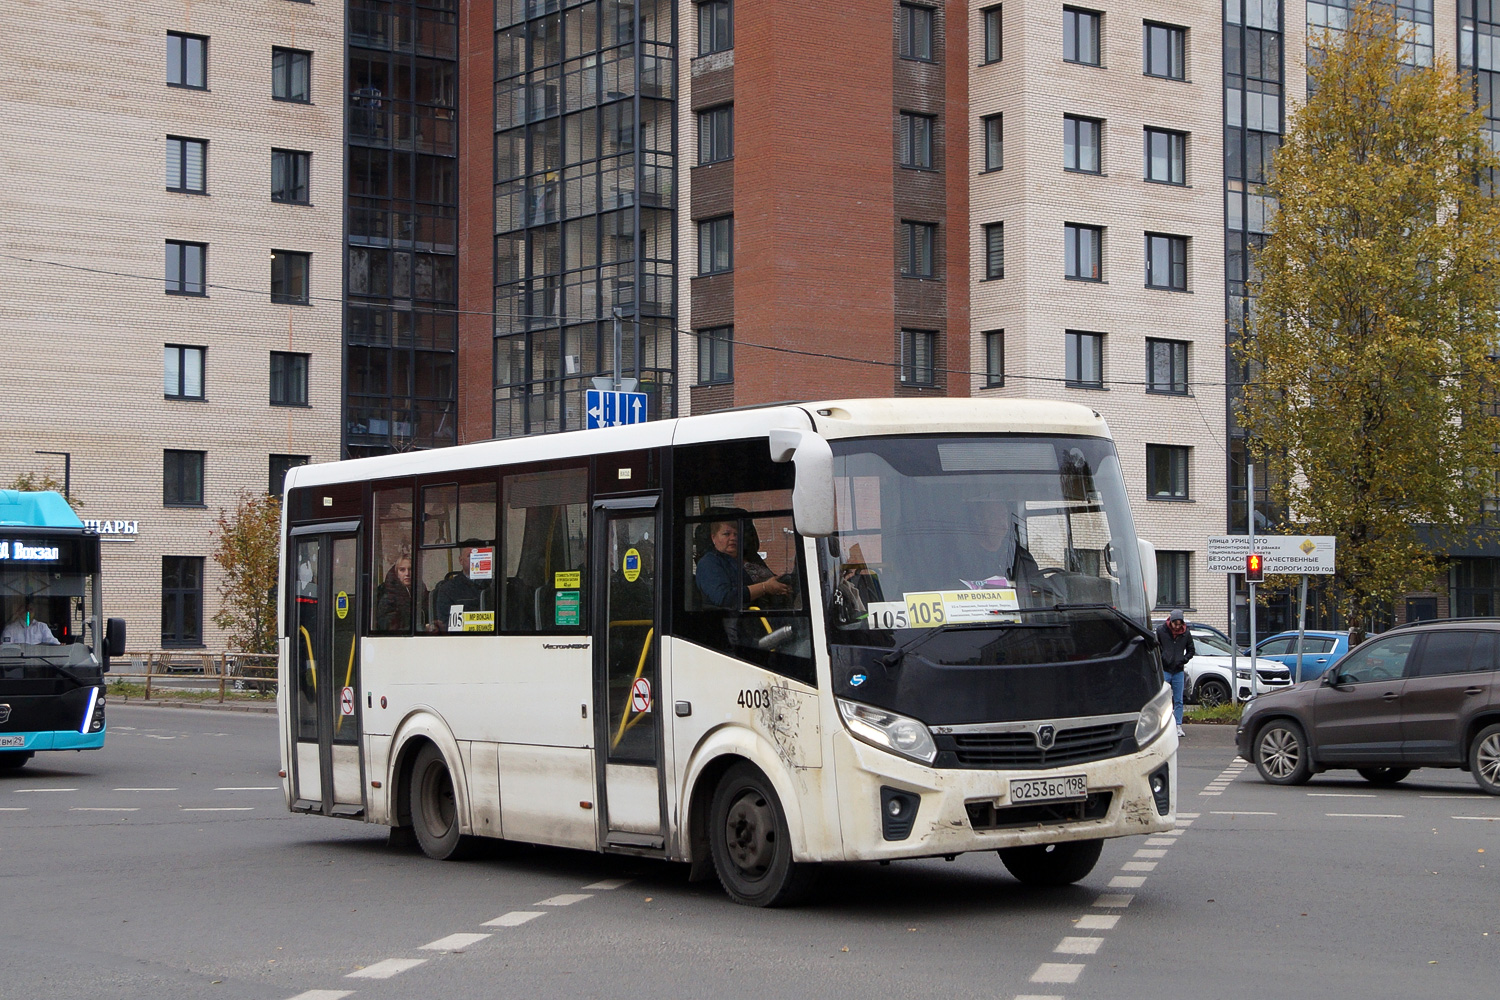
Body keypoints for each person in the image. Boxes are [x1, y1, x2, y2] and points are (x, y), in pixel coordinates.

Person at [696, 519, 791, 609]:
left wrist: (782, 586)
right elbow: (724, 597)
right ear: (714, 538)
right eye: (726, 534)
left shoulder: (751, 557)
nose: (733, 538)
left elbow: (770, 581)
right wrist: (764, 587)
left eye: (736, 534)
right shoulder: (709, 563)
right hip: (742, 621)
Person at [429, 542, 491, 631]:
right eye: (470, 556)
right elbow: (446, 623)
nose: (476, 560)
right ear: (461, 560)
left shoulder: (496, 587)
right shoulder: (448, 589)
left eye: (480, 556)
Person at [1156, 609, 1195, 737]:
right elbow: (1156, 647)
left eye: (1179, 624)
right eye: (1175, 624)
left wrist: (1183, 659)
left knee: (1178, 700)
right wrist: (1162, 658)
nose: (1177, 627)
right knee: (1163, 699)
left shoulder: (1185, 634)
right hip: (1165, 670)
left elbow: (1191, 650)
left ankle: (1178, 725)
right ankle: (1162, 725)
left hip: (1178, 670)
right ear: (1170, 621)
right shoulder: (1161, 631)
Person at [375, 556, 414, 632]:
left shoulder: (420, 592)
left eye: (410, 569)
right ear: (396, 573)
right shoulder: (389, 596)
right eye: (402, 570)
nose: (407, 573)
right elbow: (389, 628)